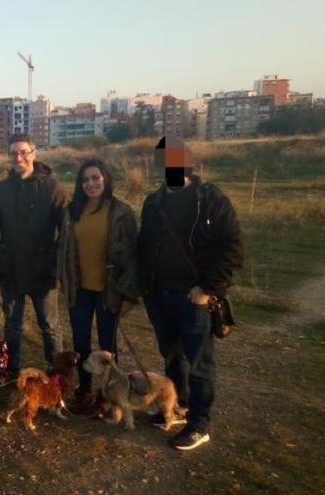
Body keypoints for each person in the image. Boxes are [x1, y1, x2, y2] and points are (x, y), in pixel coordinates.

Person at [137, 136, 243, 451]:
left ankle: (200, 424)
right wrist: (144, 286)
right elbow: (144, 247)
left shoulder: (210, 200)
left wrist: (208, 288)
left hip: (194, 297)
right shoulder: (153, 202)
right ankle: (178, 406)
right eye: (164, 161)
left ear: (187, 162)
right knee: (172, 355)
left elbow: (232, 248)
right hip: (158, 295)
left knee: (199, 362)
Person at [56, 159, 140, 413]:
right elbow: (64, 250)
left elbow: (132, 257)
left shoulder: (121, 213)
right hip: (80, 290)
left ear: (105, 179)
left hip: (109, 292)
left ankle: (108, 394)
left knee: (108, 347)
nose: (91, 184)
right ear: (80, 185)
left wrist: (129, 295)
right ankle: (84, 390)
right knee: (80, 343)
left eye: (96, 178)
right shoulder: (71, 213)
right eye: (86, 180)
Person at [0, 134, 66, 377]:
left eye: (23, 152)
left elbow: (67, 231)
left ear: (34, 153)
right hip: (11, 268)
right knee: (12, 326)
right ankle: (12, 371)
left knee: (49, 326)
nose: (18, 157)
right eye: (13, 153)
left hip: (43, 270)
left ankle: (57, 374)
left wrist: (55, 262)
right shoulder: (1, 190)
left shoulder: (53, 188)